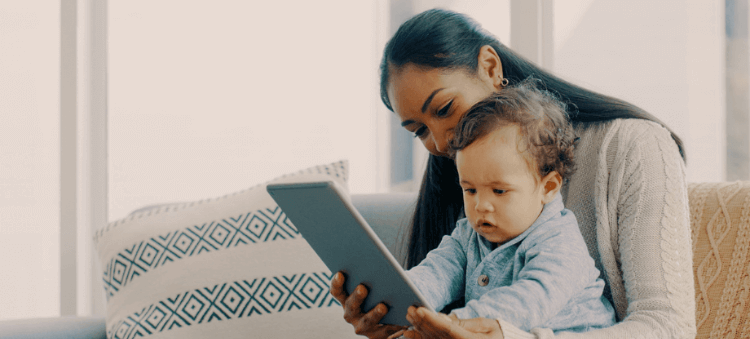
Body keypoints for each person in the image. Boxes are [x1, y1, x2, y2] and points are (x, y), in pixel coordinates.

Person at [330, 8, 696, 339]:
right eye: (419, 131)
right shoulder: (470, 198)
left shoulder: (632, 149)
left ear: (490, 68)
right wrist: (399, 310)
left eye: (444, 108)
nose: (442, 143)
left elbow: (668, 327)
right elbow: (440, 270)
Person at [401, 80, 616, 334]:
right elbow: (438, 271)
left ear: (548, 188)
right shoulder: (469, 234)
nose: (481, 205)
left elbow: (527, 301)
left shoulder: (560, 242)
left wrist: (455, 322)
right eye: (470, 190)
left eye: (499, 191)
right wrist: (401, 299)